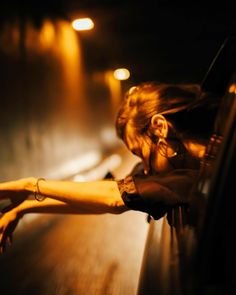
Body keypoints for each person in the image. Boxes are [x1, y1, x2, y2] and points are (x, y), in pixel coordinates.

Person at [0, 82, 219, 253]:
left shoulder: (198, 177)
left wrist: (30, 185)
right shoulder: (198, 165)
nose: (144, 168)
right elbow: (103, 195)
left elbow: (113, 198)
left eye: (140, 153)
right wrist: (24, 208)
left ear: (159, 127)